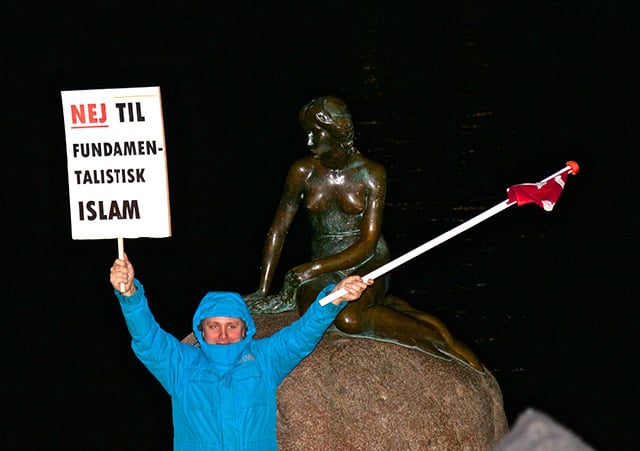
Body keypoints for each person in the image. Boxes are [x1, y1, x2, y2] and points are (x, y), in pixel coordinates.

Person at [245, 95, 484, 372]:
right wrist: (263, 288)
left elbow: (369, 243)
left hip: (367, 263)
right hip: (323, 268)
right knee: (318, 314)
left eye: (315, 133)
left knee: (350, 320)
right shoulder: (302, 172)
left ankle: (439, 339)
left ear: (335, 132)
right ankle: (387, 305)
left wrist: (311, 268)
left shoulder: (371, 173)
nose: (309, 141)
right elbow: (278, 229)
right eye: (306, 133)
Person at [110, 254, 372, 450]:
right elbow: (147, 338)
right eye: (214, 326)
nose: (223, 335)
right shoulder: (181, 366)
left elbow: (300, 336)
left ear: (245, 329)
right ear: (201, 331)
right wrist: (130, 295)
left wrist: (334, 298)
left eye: (232, 326)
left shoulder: (264, 359)